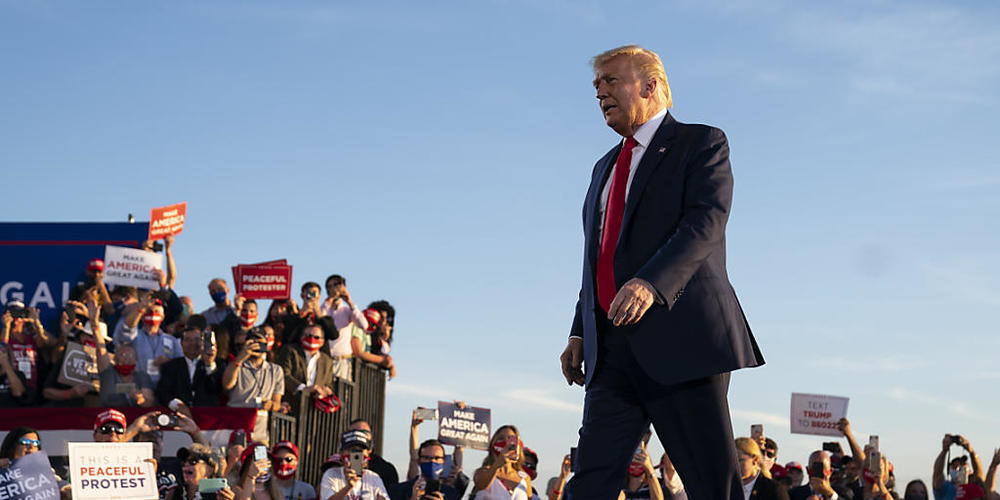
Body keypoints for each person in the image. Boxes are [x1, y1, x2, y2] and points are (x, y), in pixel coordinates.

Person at [558, 45, 763, 500]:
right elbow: (599, 255)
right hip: (610, 351)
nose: (599, 93)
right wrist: (579, 330)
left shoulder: (701, 142)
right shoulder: (603, 168)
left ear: (651, 86)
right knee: (590, 482)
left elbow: (704, 223)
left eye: (611, 81)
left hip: (682, 341)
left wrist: (651, 283)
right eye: (596, 86)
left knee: (712, 484)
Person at [222, 326, 284, 444]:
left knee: (261, 460)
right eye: (252, 342)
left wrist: (270, 405)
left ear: (266, 344)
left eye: (259, 342)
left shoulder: (275, 370)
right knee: (236, 459)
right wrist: (241, 357)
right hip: (236, 425)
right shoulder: (236, 365)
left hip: (259, 430)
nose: (255, 346)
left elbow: (277, 403)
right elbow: (227, 385)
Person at [114, 295, 183, 385]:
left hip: (163, 388)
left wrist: (169, 362)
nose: (153, 314)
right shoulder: (135, 337)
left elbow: (182, 365)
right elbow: (127, 328)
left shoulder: (172, 340)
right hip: (137, 386)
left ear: (162, 317)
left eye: (157, 312)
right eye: (149, 311)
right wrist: (140, 309)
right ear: (142, 316)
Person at [156, 319, 225, 407]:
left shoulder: (217, 364)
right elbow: (163, 391)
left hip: (207, 415)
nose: (192, 343)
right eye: (188, 340)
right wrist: (176, 405)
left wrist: (209, 364)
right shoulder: (171, 366)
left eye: (197, 339)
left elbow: (217, 389)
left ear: (202, 342)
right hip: (179, 415)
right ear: (181, 343)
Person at [274, 323, 336, 414]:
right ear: (301, 337)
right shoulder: (290, 351)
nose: (311, 339)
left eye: (316, 337)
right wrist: (304, 388)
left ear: (322, 341)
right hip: (290, 407)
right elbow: (283, 374)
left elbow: (329, 384)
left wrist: (326, 391)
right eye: (308, 335)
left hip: (313, 412)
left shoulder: (327, 361)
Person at [319, 275, 368, 381]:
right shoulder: (324, 308)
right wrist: (330, 300)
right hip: (324, 359)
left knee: (342, 395)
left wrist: (350, 302)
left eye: (337, 284)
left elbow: (364, 325)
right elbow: (319, 319)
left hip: (342, 360)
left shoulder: (347, 310)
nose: (333, 288)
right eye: (329, 286)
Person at [318, 430, 390, 500]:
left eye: (360, 450)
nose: (356, 455)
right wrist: (348, 487)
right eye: (352, 450)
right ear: (341, 452)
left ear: (368, 453)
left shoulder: (373, 478)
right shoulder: (332, 474)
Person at [472, 425, 531, 499]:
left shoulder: (524, 479)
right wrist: (497, 465)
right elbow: (481, 485)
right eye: (501, 438)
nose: (506, 442)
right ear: (493, 444)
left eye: (511, 439)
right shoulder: (483, 472)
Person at [392, 439, 461, 500]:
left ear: (443, 462)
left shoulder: (452, 494)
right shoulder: (399, 490)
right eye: (427, 458)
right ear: (418, 461)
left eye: (437, 458)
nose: (432, 461)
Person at [933, 434, 985, 500]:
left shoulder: (975, 489)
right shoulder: (945, 488)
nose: (958, 469)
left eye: (962, 466)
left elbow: (979, 476)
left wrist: (971, 452)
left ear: (969, 471)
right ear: (950, 470)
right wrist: (944, 451)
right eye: (955, 466)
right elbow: (937, 473)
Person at [349, 419, 399, 488]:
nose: (359, 436)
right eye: (354, 433)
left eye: (364, 432)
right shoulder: (337, 464)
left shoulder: (386, 469)